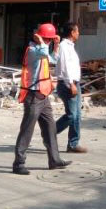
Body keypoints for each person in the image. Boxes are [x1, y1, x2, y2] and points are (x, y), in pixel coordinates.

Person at [12, 23, 70, 175]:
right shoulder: (32, 50)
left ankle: (54, 160)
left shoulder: (42, 49)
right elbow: (44, 53)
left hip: (43, 96)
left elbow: (53, 60)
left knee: (50, 128)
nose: (49, 42)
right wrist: (43, 42)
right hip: (33, 95)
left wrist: (56, 45)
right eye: (47, 39)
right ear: (39, 37)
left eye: (50, 39)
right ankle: (19, 163)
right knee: (27, 130)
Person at [55, 21, 87, 153]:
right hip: (67, 84)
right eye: (77, 31)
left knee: (77, 115)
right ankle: (49, 132)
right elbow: (64, 66)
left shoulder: (70, 46)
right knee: (71, 115)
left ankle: (73, 144)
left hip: (75, 83)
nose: (79, 33)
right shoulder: (64, 46)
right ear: (72, 32)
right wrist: (71, 84)